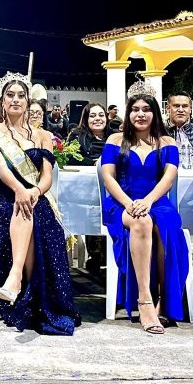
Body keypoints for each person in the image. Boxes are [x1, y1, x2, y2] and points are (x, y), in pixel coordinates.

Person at [0, 73, 79, 336]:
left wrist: (34, 190)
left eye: (20, 95)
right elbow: (1, 168)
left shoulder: (44, 135)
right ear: (1, 101)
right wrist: (20, 190)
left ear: (28, 100)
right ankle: (22, 287)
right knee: (20, 206)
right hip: (4, 198)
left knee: (33, 211)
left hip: (37, 196)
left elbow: (47, 176)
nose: (15, 100)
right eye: (10, 95)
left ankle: (18, 280)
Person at [100, 81, 188, 334]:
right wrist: (129, 204)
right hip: (121, 202)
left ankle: (163, 298)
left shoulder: (167, 142)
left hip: (158, 202)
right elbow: (108, 177)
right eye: (135, 109)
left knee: (165, 226)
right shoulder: (115, 140)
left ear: (154, 113)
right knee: (141, 221)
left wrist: (148, 201)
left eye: (146, 109)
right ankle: (145, 300)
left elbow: (168, 178)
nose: (140, 114)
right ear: (128, 114)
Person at [71, 102, 110, 276]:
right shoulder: (77, 136)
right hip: (85, 188)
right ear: (86, 119)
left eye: (101, 115)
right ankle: (95, 256)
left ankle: (108, 257)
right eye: (92, 116)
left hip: (112, 186)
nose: (97, 119)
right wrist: (95, 164)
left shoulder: (116, 137)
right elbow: (71, 158)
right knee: (91, 212)